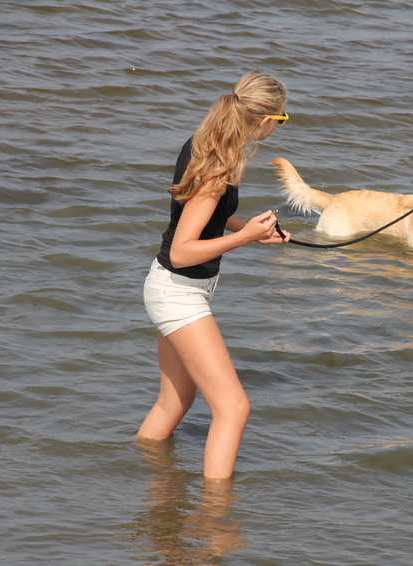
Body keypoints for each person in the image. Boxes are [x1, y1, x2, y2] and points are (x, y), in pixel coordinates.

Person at [138, 71, 290, 479]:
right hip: (178, 292)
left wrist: (251, 231)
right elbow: (182, 251)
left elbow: (201, 215)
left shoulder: (205, 144)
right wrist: (244, 238)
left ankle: (147, 482)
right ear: (265, 121)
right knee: (234, 408)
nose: (280, 126)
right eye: (283, 119)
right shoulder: (218, 170)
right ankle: (216, 509)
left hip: (167, 286)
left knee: (175, 402)